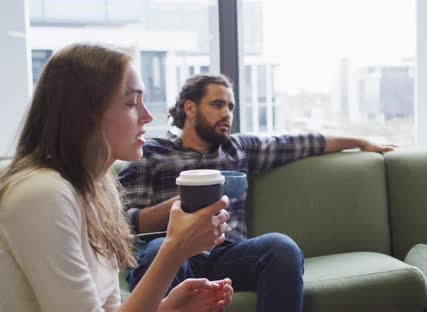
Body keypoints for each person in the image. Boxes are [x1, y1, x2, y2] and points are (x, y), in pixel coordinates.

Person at [118, 73, 395, 312]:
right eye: (217, 104)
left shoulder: (238, 148)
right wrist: (180, 205)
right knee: (154, 251)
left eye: (230, 106)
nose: (226, 113)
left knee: (281, 247)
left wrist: (360, 141)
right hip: (172, 252)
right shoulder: (152, 154)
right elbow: (125, 224)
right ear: (189, 108)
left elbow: (304, 142)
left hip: (228, 252)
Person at [0, 43, 234, 312]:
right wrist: (174, 250)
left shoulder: (100, 189)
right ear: (85, 114)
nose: (147, 116)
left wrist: (167, 308)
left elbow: (109, 309)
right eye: (131, 103)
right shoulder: (41, 194)